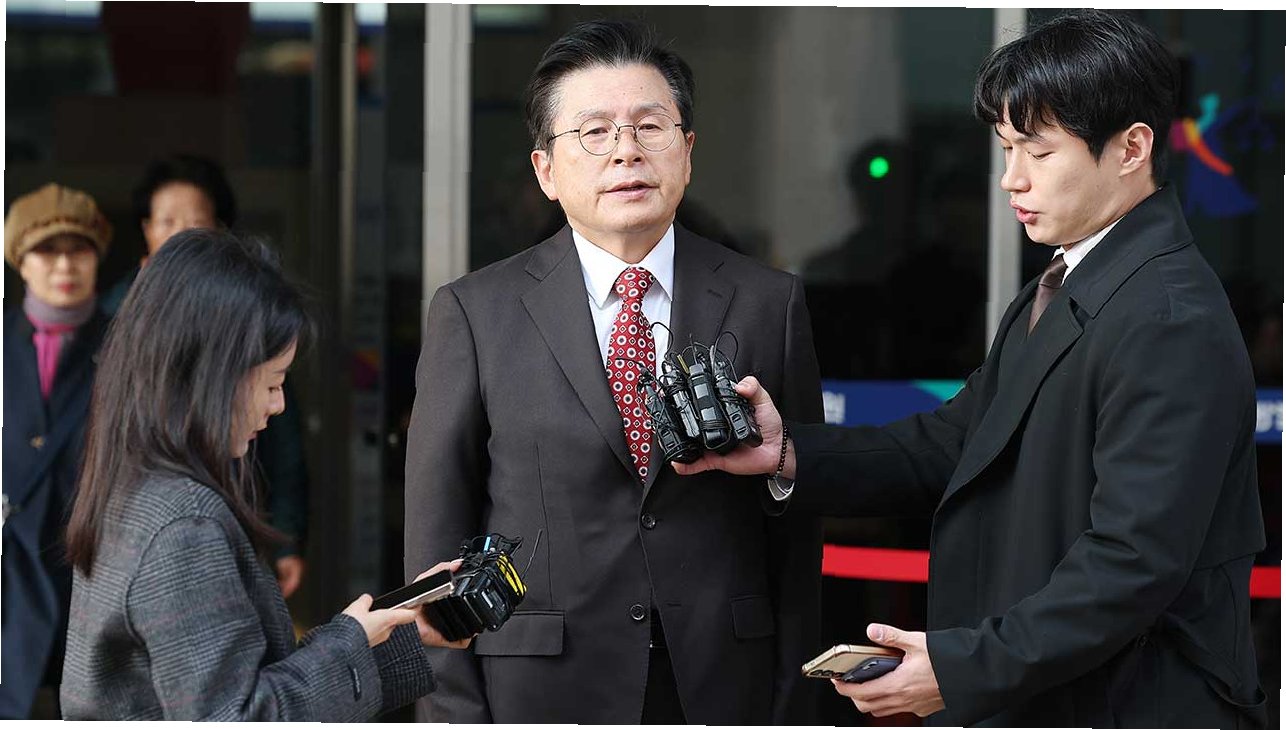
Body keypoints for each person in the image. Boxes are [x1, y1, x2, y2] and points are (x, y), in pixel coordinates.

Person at [675, 10, 1267, 728]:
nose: (1011, 179)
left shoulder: (1169, 317)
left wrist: (958, 670)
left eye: (1038, 152)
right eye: (1007, 148)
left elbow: (1133, 563)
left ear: (1132, 148)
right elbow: (955, 440)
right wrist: (786, 451)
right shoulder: (1069, 281)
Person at [404, 19, 824, 725]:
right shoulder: (475, 313)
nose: (626, 151)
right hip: (539, 690)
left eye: (649, 127)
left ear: (687, 153)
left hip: (723, 682)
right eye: (594, 132)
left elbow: (796, 525)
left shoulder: (767, 303)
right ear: (546, 170)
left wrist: (793, 702)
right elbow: (437, 541)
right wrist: (454, 714)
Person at [59, 229, 469, 720]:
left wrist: (397, 635)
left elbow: (243, 691)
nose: (278, 405)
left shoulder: (138, 489)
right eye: (273, 382)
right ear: (214, 375)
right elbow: (239, 716)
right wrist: (349, 639)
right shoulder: (184, 526)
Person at [102, 153, 311, 599]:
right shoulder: (115, 317)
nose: (181, 235)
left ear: (220, 229)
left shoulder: (245, 320)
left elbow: (285, 447)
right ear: (146, 228)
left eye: (195, 222)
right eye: (167, 221)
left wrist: (287, 535)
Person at [1, 184, 113, 720]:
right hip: (9, 578)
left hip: (92, 568)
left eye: (78, 249)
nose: (64, 265)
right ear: (20, 260)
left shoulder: (125, 346)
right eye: (47, 250)